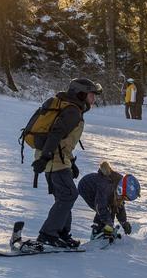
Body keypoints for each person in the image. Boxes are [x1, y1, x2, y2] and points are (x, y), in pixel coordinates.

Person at [31, 77, 102, 248]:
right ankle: (48, 234)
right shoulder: (72, 111)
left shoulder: (72, 108)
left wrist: (71, 162)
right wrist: (45, 158)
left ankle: (62, 234)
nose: (94, 99)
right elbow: (55, 134)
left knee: (64, 196)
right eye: (91, 95)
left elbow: (65, 141)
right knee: (68, 195)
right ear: (81, 94)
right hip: (53, 160)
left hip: (58, 159)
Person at [76, 160, 138, 241]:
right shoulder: (105, 187)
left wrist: (124, 222)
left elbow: (119, 205)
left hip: (100, 189)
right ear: (121, 190)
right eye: (125, 198)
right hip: (86, 188)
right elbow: (100, 207)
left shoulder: (119, 186)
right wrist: (109, 223)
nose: (124, 200)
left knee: (113, 204)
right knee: (104, 208)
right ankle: (97, 230)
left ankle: (106, 228)